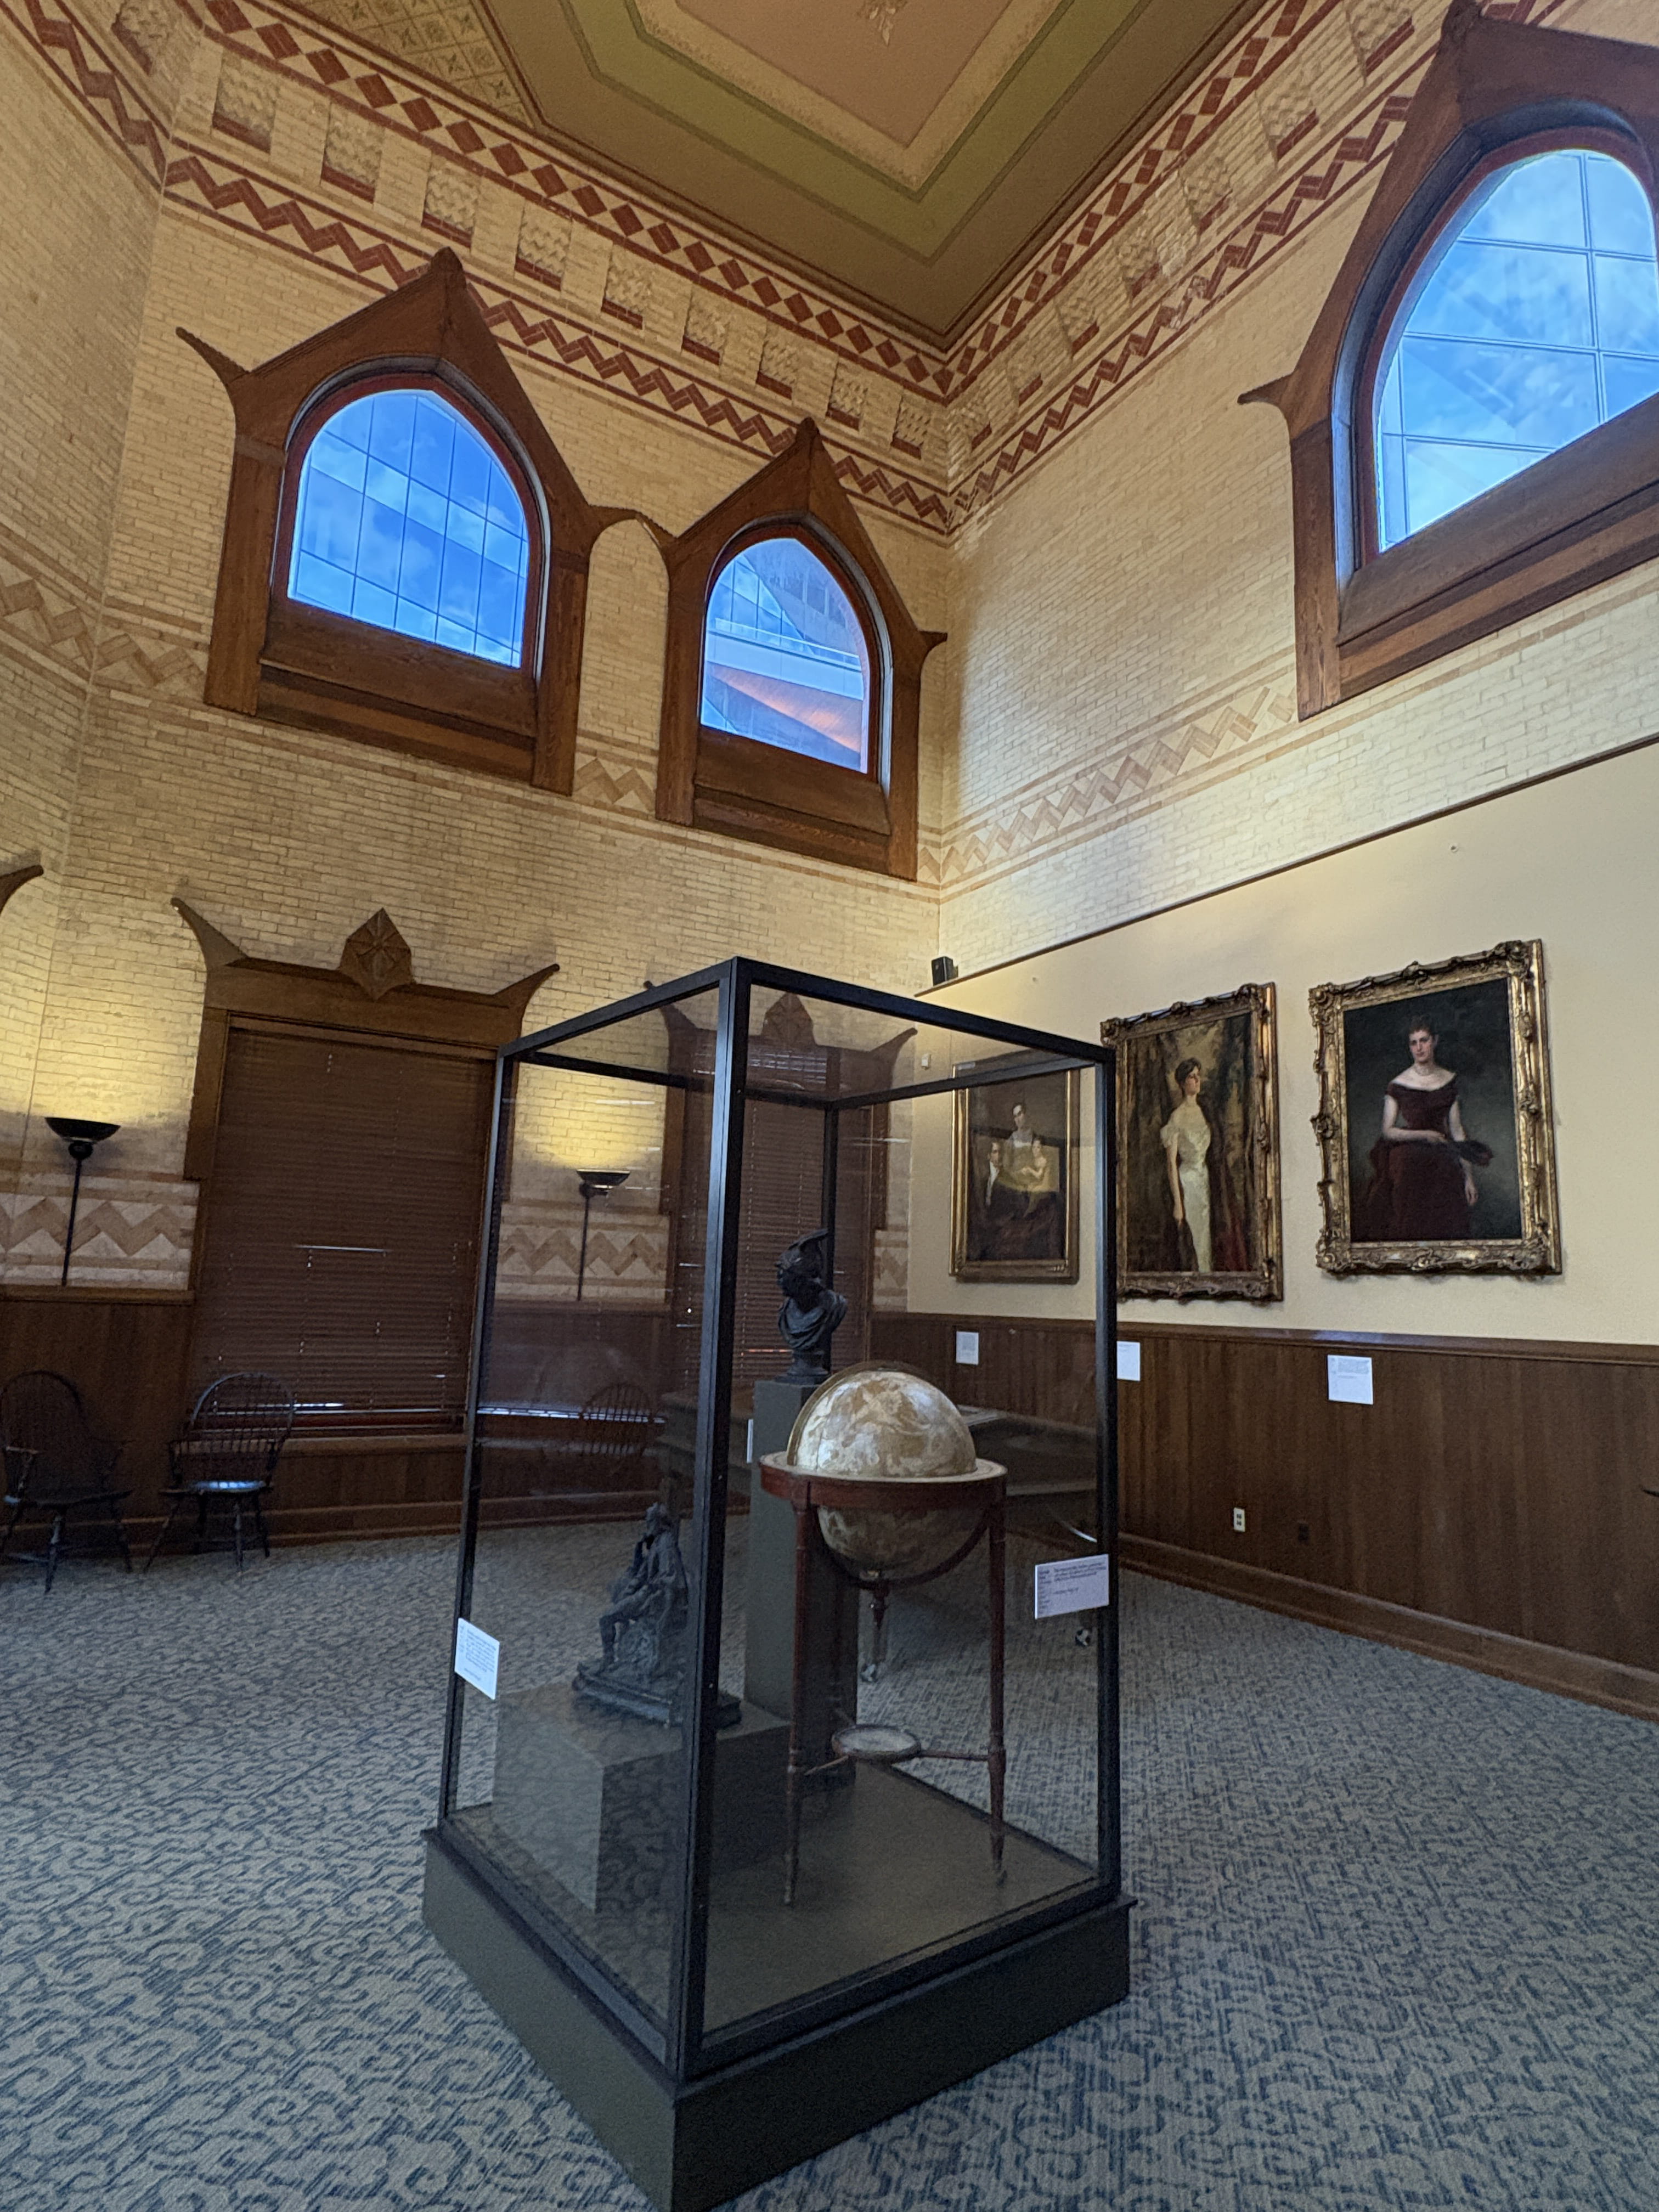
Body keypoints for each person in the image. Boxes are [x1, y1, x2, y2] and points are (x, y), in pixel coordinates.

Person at [1358, 1017, 1491, 1240]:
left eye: (1424, 1041)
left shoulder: (1449, 1080)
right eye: (1414, 1043)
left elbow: (1458, 1131)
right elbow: (1388, 1130)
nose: (1419, 1048)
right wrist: (1424, 1135)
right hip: (1409, 1148)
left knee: (1448, 1173)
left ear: (1435, 1041)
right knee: (1407, 1168)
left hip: (1443, 1150)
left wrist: (1469, 1178)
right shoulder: (1398, 1084)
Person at [1160, 1058, 1214, 1273]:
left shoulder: (1205, 1111)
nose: (1197, 1080)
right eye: (1192, 1076)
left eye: (1198, 1075)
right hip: (1188, 1183)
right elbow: (1171, 1164)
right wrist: (1178, 1203)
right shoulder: (1177, 1117)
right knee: (1197, 1239)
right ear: (1183, 1083)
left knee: (1209, 1236)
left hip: (1206, 1178)